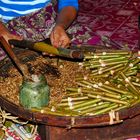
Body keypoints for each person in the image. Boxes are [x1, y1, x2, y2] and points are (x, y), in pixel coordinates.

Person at [0, 0, 94, 60]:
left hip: (45, 19)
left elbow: (69, 3)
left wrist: (60, 26)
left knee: (91, 51)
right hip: (7, 26)